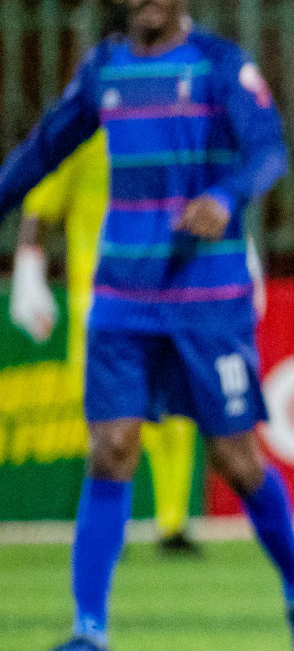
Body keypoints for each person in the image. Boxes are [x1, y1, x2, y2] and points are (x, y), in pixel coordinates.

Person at [0, 0, 294, 651]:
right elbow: (44, 149)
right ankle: (89, 637)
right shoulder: (104, 71)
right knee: (109, 449)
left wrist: (224, 194)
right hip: (121, 294)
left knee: (238, 460)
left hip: (207, 296)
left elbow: (269, 150)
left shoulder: (220, 66)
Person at [9, 130, 203, 557]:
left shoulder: (176, 129)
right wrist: (28, 265)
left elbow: (210, 200)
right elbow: (39, 204)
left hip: (168, 294)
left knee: (176, 413)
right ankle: (110, 521)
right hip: (99, 304)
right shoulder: (85, 135)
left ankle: (173, 524)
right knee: (109, 420)